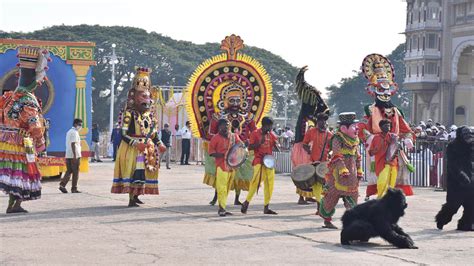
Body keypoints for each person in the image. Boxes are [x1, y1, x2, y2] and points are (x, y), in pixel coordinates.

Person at [0, 46, 49, 213]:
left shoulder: (9, 97)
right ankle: (17, 205)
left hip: (6, 143)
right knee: (23, 173)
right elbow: (34, 125)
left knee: (13, 174)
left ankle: (11, 205)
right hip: (23, 142)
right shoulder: (29, 100)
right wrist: (41, 142)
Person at [359, 54, 414, 198]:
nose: (385, 94)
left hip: (393, 147)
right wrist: (372, 138)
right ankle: (379, 195)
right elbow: (363, 128)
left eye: (387, 90)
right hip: (378, 147)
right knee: (378, 173)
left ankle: (390, 196)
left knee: (395, 172)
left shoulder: (396, 111)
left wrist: (408, 138)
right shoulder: (370, 110)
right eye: (381, 90)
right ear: (375, 91)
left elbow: (406, 130)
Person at [111, 67, 165, 207]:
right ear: (133, 97)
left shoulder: (149, 115)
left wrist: (159, 144)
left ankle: (137, 195)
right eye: (142, 96)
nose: (146, 100)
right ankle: (131, 198)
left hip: (147, 149)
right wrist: (136, 144)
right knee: (134, 172)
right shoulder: (129, 114)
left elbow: (153, 133)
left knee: (144, 173)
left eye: (147, 97)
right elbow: (123, 134)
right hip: (132, 148)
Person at [319, 112, 363, 229]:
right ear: (344, 128)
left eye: (356, 125)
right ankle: (327, 220)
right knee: (331, 197)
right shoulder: (337, 138)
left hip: (352, 172)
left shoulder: (355, 139)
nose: (357, 128)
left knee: (353, 196)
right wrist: (342, 169)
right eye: (354, 126)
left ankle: (352, 220)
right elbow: (337, 156)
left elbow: (357, 156)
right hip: (338, 174)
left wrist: (359, 169)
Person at [241, 117, 281, 215]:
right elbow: (250, 147)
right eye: (270, 126)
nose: (271, 128)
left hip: (268, 162)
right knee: (255, 182)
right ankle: (246, 202)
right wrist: (259, 143)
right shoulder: (255, 133)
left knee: (269, 185)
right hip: (258, 160)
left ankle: (266, 207)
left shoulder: (272, 135)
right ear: (265, 125)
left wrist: (277, 145)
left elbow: (277, 148)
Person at [209, 119, 242, 216]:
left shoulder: (233, 136)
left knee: (227, 188)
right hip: (221, 166)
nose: (227, 127)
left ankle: (222, 206)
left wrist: (243, 146)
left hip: (232, 166)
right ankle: (222, 208)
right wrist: (224, 155)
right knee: (221, 187)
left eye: (228, 125)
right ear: (220, 127)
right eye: (225, 125)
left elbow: (240, 145)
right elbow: (211, 153)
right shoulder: (215, 138)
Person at [301, 113, 333, 207]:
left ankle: (322, 204)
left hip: (324, 163)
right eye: (320, 120)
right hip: (313, 161)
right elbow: (304, 144)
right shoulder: (311, 131)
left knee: (325, 185)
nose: (322, 122)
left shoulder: (329, 134)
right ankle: (319, 205)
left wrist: (330, 154)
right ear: (317, 122)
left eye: (323, 120)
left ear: (325, 122)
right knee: (316, 185)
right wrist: (309, 151)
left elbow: (332, 148)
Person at [368, 119, 399, 198]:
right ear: (381, 127)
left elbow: (396, 149)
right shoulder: (376, 138)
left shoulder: (393, 137)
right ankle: (380, 199)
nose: (388, 127)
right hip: (381, 163)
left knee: (392, 184)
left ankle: (390, 200)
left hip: (393, 163)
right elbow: (370, 152)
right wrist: (376, 150)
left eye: (389, 125)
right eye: (386, 126)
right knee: (382, 182)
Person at [59, 118, 83, 193]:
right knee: (75, 172)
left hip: (68, 154)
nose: (80, 126)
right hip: (74, 155)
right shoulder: (74, 132)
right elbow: (73, 144)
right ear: (75, 124)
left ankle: (62, 185)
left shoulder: (69, 131)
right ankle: (74, 188)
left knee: (69, 171)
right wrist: (75, 156)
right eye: (79, 125)